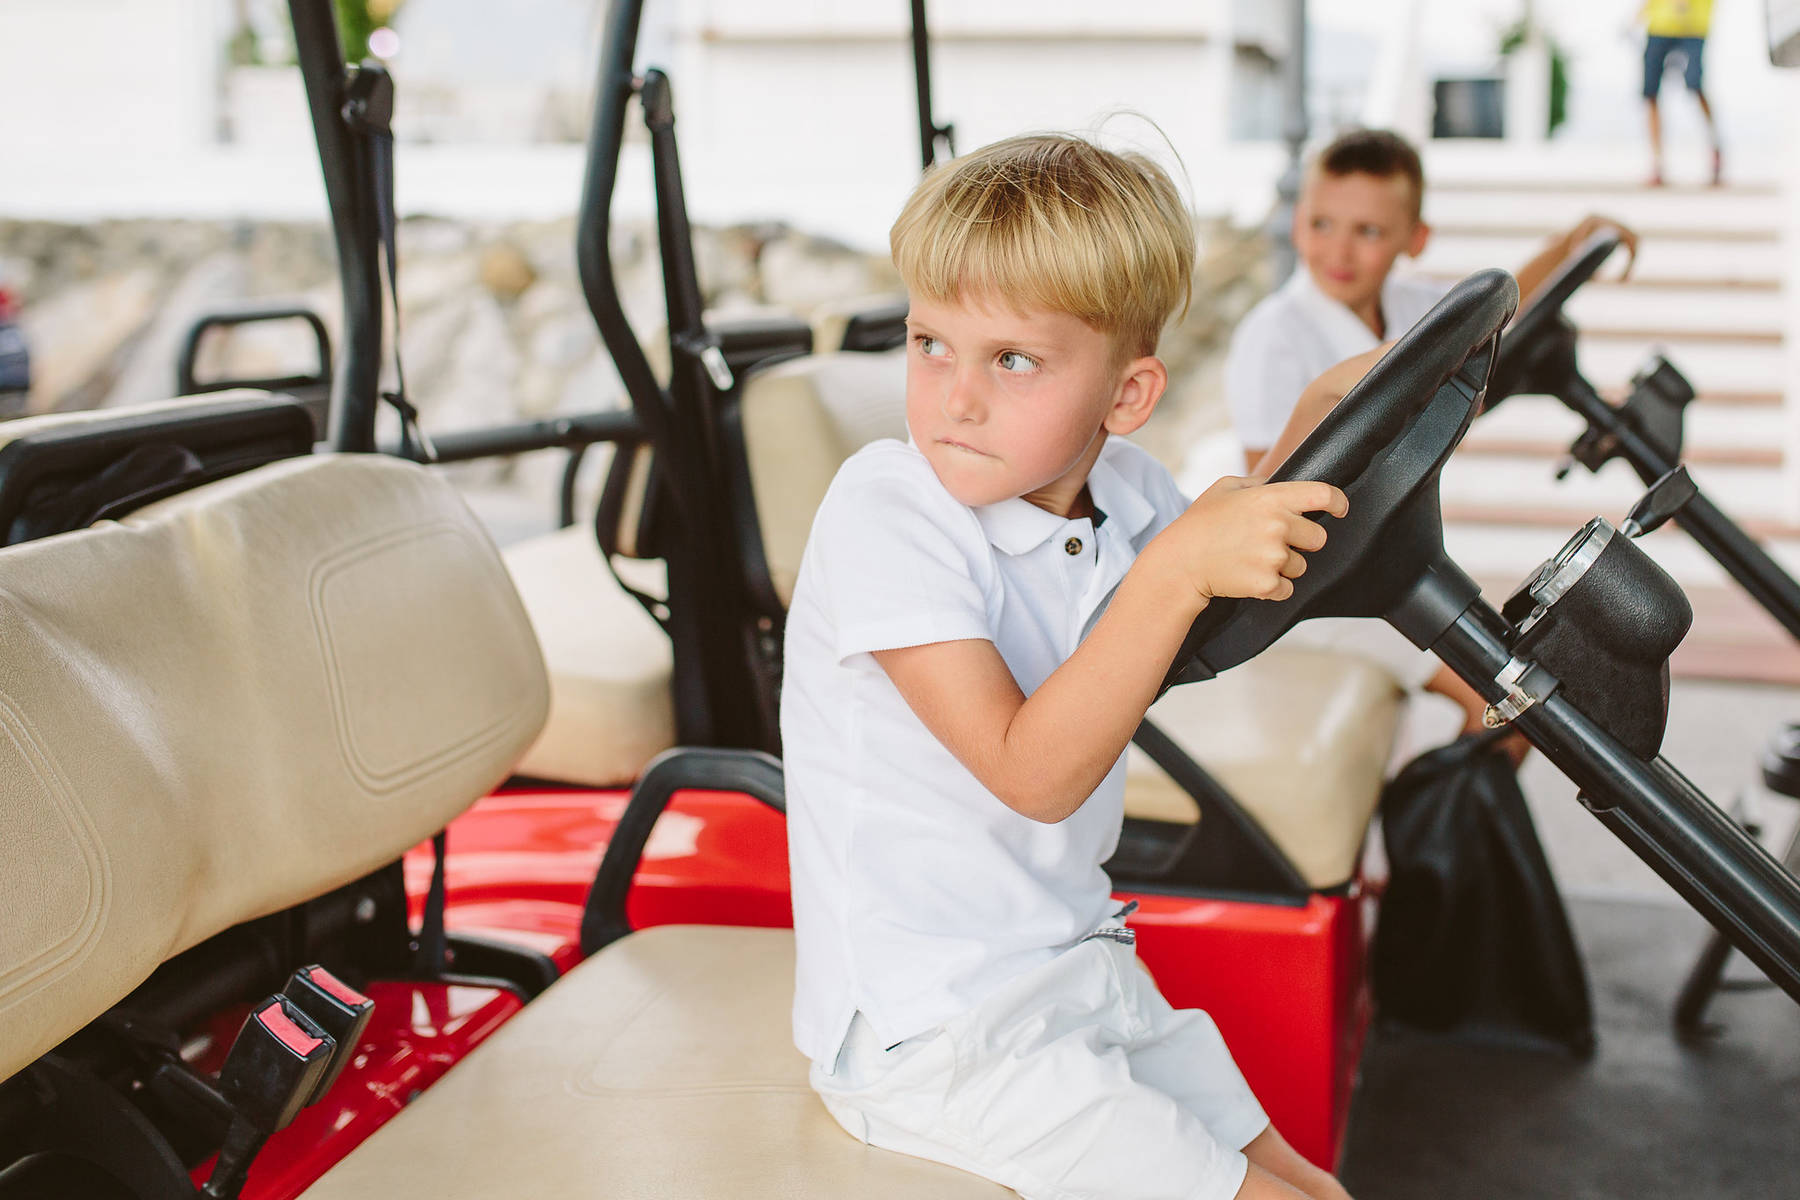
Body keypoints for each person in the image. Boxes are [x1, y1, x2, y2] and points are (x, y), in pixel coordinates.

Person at [782, 131, 1364, 1200]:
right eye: (929, 343)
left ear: (1128, 396)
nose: (955, 398)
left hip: (1073, 973)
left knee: (1308, 1183)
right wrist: (1175, 574)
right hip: (934, 1033)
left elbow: (1213, 591)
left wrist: (1318, 428)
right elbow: (1032, 771)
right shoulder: (888, 510)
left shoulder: (1132, 493)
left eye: (1011, 360)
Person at [1209, 128, 1637, 738]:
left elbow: (1492, 307)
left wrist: (1571, 244)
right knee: (1504, 706)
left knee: (1527, 692)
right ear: (1298, 222)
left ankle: (1463, 826)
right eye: (1323, 224)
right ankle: (1442, 827)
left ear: (1416, 239)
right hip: (1314, 594)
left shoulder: (1406, 306)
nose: (1341, 250)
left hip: (1379, 561)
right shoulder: (1274, 335)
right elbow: (1265, 492)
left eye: (1370, 232)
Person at [1640, 0, 1722, 186]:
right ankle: (1657, 164)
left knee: (1695, 86)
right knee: (1651, 93)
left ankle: (1715, 151)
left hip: (1693, 26)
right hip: (1659, 25)